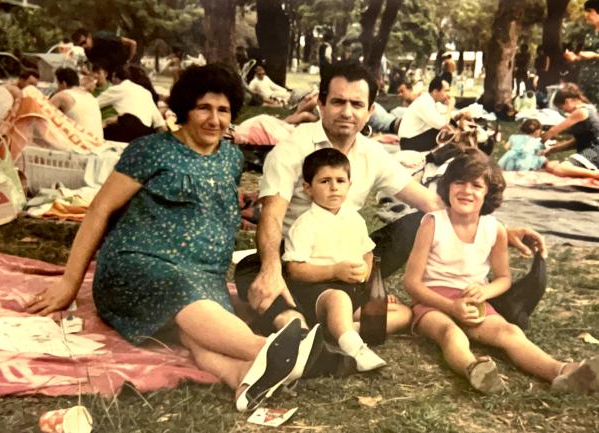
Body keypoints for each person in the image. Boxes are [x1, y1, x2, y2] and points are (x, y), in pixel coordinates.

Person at [26, 64, 322, 412]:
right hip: (139, 266)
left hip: (202, 276)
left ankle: (242, 376)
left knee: (195, 331)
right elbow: (99, 210)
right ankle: (270, 350)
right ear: (184, 110)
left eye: (223, 110)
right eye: (204, 108)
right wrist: (69, 283)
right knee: (182, 295)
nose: (214, 120)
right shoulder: (151, 149)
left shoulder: (230, 157)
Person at [234, 61, 546, 340]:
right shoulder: (291, 148)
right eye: (338, 101)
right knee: (252, 271)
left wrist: (499, 228)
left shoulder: (371, 152)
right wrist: (272, 269)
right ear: (321, 103)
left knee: (416, 224)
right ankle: (319, 316)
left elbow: (431, 203)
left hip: (350, 260)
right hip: (297, 259)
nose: (347, 112)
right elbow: (272, 216)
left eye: (357, 104)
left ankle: (316, 316)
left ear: (370, 110)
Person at [404, 148, 598, 394]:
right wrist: (449, 307)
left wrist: (484, 291)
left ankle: (561, 372)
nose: (466, 190)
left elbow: (504, 278)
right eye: (459, 182)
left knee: (509, 331)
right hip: (431, 300)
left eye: (476, 185)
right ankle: (473, 369)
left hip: (474, 301)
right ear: (447, 187)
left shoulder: (494, 229)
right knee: (449, 332)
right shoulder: (433, 223)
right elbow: (411, 283)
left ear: (488, 194)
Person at [283, 148, 412, 371]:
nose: (334, 187)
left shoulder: (354, 219)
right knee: (339, 299)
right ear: (307, 188)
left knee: (403, 314)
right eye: (324, 181)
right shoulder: (305, 225)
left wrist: (368, 280)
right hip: (321, 291)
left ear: (349, 185)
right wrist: (333, 272)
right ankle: (355, 348)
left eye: (340, 180)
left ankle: (338, 330)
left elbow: (367, 253)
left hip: (355, 290)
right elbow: (295, 270)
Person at [540, 83, 599, 180]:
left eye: (562, 108)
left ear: (567, 102)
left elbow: (555, 130)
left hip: (595, 151)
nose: (565, 112)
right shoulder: (589, 109)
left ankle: (596, 174)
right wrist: (552, 149)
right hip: (592, 149)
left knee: (560, 169)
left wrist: (538, 141)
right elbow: (578, 141)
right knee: (551, 166)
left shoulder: (581, 111)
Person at [97, 64, 166, 142]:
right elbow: (159, 123)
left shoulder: (117, 89)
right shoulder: (145, 92)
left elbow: (92, 104)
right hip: (145, 133)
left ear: (115, 78)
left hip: (127, 130)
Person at [397, 77, 455, 152]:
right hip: (409, 143)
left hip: (411, 139)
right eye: (445, 91)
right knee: (442, 131)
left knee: (448, 126)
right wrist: (450, 106)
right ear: (435, 92)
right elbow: (443, 124)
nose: (447, 95)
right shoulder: (425, 102)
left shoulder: (429, 100)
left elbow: (445, 115)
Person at [50, 67, 104, 139]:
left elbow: (43, 113)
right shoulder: (91, 96)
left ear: (63, 83)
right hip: (98, 141)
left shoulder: (62, 95)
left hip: (79, 145)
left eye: (58, 84)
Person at [563, 1, 599, 105]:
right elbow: (583, 56)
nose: (586, 15)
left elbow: (592, 55)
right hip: (585, 80)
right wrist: (574, 58)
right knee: (585, 110)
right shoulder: (589, 34)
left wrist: (595, 55)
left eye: (590, 12)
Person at [72, 28, 137, 74]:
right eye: (80, 45)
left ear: (89, 36)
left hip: (126, 67)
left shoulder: (104, 38)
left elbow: (132, 43)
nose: (83, 46)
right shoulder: (88, 52)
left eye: (84, 42)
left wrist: (129, 61)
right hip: (113, 73)